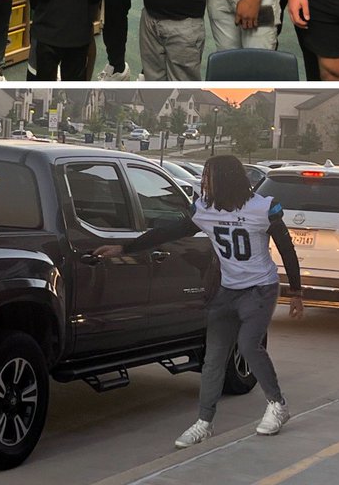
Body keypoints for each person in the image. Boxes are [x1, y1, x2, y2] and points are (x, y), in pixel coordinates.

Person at [94, 155, 303, 447]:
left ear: (225, 179)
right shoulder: (204, 209)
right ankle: (205, 422)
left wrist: (296, 291)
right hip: (227, 290)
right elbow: (170, 232)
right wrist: (125, 246)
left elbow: (286, 247)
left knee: (248, 345)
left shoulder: (263, 207)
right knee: (213, 358)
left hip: (259, 289)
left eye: (208, 177)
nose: (203, 182)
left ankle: (277, 405)